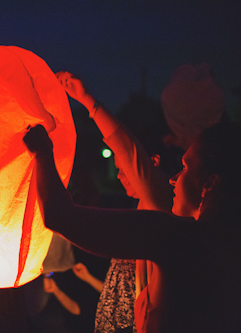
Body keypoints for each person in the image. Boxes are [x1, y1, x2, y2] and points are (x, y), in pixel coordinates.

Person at [23, 121, 241, 332]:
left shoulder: (177, 237)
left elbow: (60, 217)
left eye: (185, 167)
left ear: (209, 183)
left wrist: (42, 152)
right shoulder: (228, 245)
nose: (174, 179)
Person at [57, 71, 174, 333]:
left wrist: (88, 101)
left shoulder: (161, 206)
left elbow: (128, 149)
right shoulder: (144, 210)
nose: (119, 175)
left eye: (123, 167)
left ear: (151, 163)